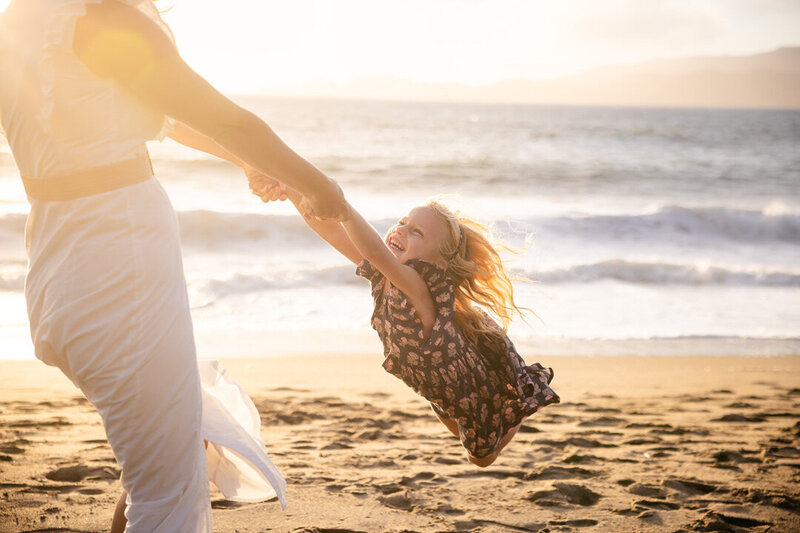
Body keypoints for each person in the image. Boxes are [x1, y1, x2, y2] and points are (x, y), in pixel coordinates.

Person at [0, 0, 345, 531]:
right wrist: (322, 188)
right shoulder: (111, 22)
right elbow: (229, 119)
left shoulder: (22, 24)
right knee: (168, 491)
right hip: (118, 265)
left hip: (55, 262)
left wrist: (246, 162)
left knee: (158, 466)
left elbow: (161, 114)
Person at [249, 180, 560, 467]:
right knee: (454, 427)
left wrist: (343, 210)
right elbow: (332, 233)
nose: (400, 231)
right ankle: (507, 400)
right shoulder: (384, 272)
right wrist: (290, 191)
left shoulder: (416, 285)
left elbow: (372, 248)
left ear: (437, 263)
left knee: (480, 458)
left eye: (417, 233)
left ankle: (516, 409)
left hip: (462, 380)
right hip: (430, 377)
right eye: (402, 223)